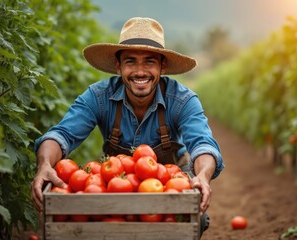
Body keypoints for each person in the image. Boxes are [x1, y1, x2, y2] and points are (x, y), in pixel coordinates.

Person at [31, 17, 224, 235]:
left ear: (162, 66)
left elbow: (203, 145)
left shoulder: (182, 100)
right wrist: (45, 164)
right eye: (130, 61)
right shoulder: (98, 96)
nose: (140, 71)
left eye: (149, 62)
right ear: (118, 66)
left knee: (196, 217)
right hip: (116, 189)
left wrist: (203, 177)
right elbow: (62, 134)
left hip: (167, 190)